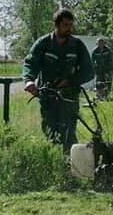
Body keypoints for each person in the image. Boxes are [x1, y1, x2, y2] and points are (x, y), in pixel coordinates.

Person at [22, 9, 95, 152]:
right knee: (51, 133)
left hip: (69, 98)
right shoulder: (43, 43)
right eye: (65, 25)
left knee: (68, 134)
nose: (69, 29)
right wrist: (29, 81)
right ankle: (55, 166)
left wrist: (70, 81)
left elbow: (89, 71)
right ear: (56, 25)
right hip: (48, 98)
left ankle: (72, 167)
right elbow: (30, 63)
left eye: (71, 25)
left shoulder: (77, 45)